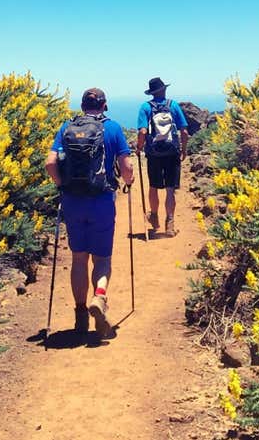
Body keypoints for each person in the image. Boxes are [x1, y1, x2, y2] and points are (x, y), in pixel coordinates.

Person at [45, 88, 133, 339]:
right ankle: (100, 297)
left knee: (79, 258)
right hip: (102, 201)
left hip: (73, 201)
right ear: (104, 105)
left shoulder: (66, 128)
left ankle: (81, 314)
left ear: (82, 106)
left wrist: (62, 185)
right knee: (102, 259)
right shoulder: (113, 129)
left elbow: (51, 163)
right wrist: (130, 180)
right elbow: (126, 167)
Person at [136, 77, 188, 236]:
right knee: (170, 189)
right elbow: (184, 131)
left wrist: (139, 148)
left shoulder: (145, 107)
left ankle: (155, 217)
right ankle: (170, 224)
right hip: (172, 152)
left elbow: (142, 131)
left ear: (151, 93)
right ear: (164, 90)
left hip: (154, 153)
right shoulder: (173, 105)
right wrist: (183, 149)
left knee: (153, 186)